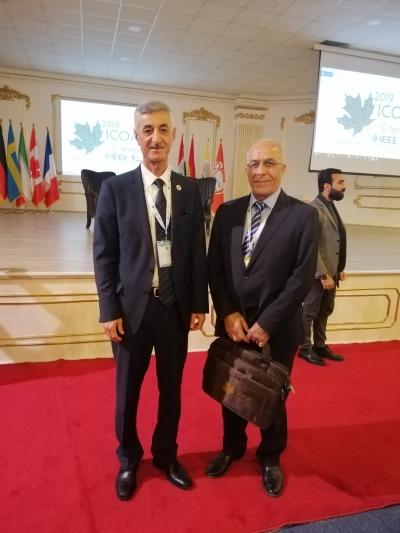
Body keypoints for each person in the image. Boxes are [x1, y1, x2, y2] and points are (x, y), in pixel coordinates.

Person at [93, 100, 208, 501]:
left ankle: (165, 455)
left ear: (173, 135)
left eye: (162, 129)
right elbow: (104, 255)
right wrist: (109, 309)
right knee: (128, 393)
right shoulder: (115, 189)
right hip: (131, 311)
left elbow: (196, 252)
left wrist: (199, 303)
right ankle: (128, 458)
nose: (155, 137)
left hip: (174, 309)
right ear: (136, 137)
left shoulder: (189, 190)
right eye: (147, 130)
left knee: (171, 390)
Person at [206, 138, 318, 496]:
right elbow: (215, 269)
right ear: (246, 170)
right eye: (254, 164)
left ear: (282, 169)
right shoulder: (227, 212)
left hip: (278, 330)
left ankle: (270, 456)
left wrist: (267, 323)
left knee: (272, 395)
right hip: (234, 326)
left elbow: (301, 278)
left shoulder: (303, 216)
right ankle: (232, 448)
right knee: (231, 389)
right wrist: (228, 312)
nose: (260, 170)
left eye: (269, 163)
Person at [298, 168, 347, 366]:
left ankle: (320, 345)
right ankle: (304, 347)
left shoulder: (330, 206)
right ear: (327, 186)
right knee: (310, 311)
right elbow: (311, 246)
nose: (345, 186)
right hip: (317, 274)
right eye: (341, 182)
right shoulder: (313, 209)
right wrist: (323, 274)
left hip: (332, 272)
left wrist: (339, 268)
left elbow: (336, 239)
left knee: (325, 310)